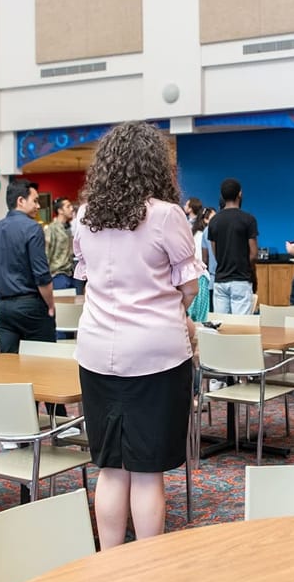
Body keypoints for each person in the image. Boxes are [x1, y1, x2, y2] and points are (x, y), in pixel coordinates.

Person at [73, 122, 202, 548]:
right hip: (156, 353)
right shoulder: (167, 216)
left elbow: (88, 278)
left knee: (111, 468)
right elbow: (189, 289)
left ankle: (108, 560)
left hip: (96, 350)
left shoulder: (84, 216)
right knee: (147, 471)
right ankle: (148, 566)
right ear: (155, 166)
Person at [0, 179, 58, 352]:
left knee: (10, 366)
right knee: (43, 364)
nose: (38, 206)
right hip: (31, 306)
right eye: (35, 200)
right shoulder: (32, 228)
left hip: (3, 307)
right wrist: (51, 305)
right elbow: (42, 276)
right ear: (20, 201)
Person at [206, 179, 258, 314]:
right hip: (241, 279)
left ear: (222, 196)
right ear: (239, 194)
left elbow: (215, 252)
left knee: (221, 327)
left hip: (220, 280)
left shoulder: (214, 221)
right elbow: (253, 254)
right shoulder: (248, 219)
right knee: (241, 327)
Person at [44, 197, 81, 293]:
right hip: (58, 274)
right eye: (68, 206)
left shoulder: (69, 229)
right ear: (60, 210)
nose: (72, 208)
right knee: (62, 306)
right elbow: (46, 253)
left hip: (71, 273)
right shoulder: (51, 229)